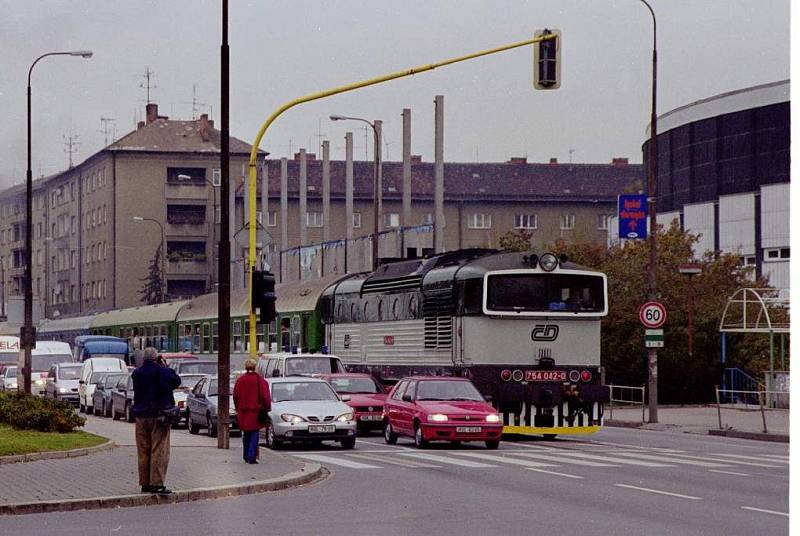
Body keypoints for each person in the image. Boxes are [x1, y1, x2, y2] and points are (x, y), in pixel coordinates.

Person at [132, 347, 181, 494]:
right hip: (158, 416)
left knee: (143, 451)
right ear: (156, 358)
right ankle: (157, 483)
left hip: (141, 417)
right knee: (159, 450)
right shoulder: (161, 371)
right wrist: (164, 365)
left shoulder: (137, 373)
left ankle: (145, 483)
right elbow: (176, 381)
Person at [233, 359, 271, 464]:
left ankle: (245, 455)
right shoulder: (261, 381)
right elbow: (265, 397)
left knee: (246, 433)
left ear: (246, 367)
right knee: (254, 433)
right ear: (255, 367)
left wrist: (238, 408)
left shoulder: (240, 380)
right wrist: (267, 408)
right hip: (256, 411)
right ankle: (251, 456)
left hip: (243, 411)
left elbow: (235, 396)